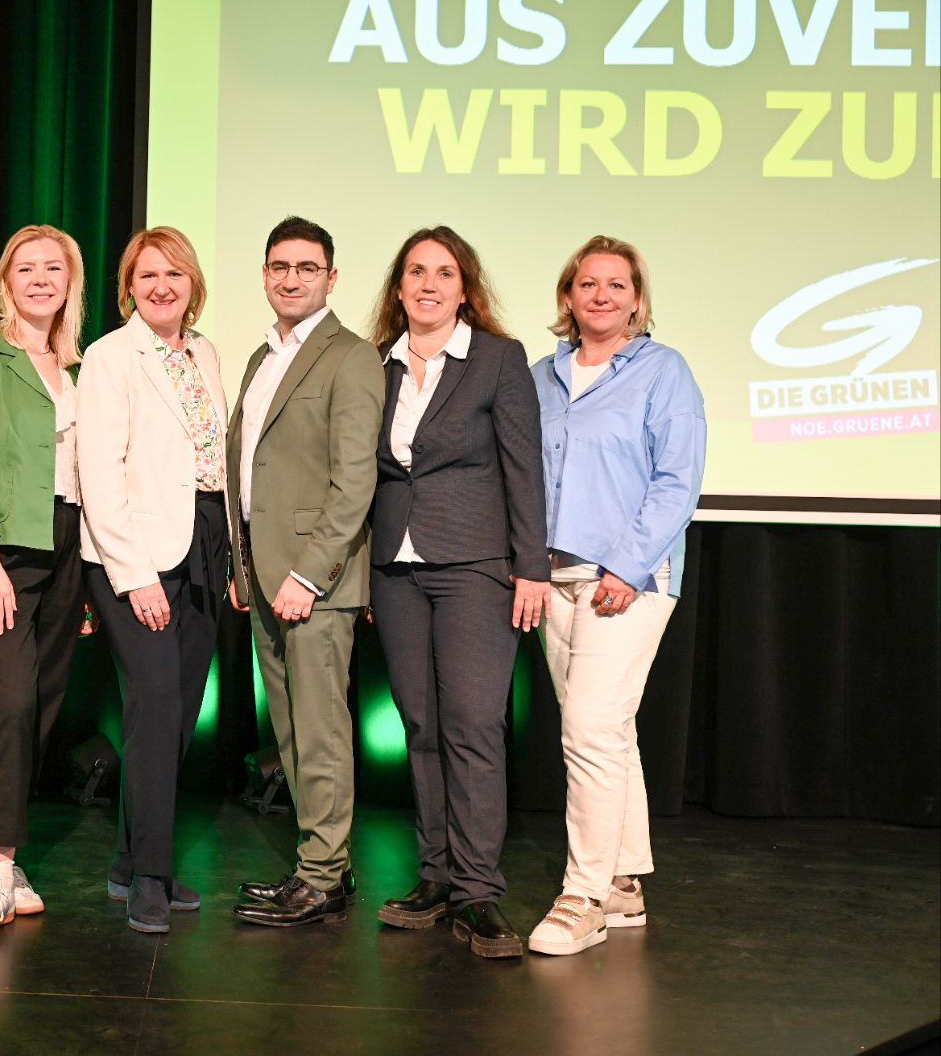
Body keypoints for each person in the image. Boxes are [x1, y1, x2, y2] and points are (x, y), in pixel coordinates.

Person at [365, 226, 548, 959]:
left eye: (444, 273)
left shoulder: (498, 359)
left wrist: (530, 566)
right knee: (421, 725)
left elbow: (524, 467)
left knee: (472, 725)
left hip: (475, 564)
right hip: (395, 568)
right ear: (399, 287)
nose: (429, 284)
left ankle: (478, 891)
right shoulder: (376, 364)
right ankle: (436, 876)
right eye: (417, 272)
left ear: (464, 289)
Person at [525, 235, 705, 956]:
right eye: (587, 284)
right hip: (555, 577)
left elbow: (677, 481)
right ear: (568, 298)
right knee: (608, 731)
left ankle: (584, 896)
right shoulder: (541, 377)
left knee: (589, 730)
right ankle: (624, 884)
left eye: (616, 285)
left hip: (628, 581)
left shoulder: (664, 371)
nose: (600, 295)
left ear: (636, 300)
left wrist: (626, 569)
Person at [228, 216, 384, 928]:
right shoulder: (262, 357)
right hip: (263, 575)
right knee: (290, 731)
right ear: (265, 274)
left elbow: (354, 483)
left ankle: (323, 876)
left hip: (313, 581)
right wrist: (243, 566)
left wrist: (310, 575)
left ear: (331, 277)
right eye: (280, 267)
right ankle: (319, 865)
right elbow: (248, 471)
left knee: (319, 731)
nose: (291, 279)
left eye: (307, 268)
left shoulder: (351, 357)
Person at [77, 227, 228, 933]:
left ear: (193, 283)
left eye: (174, 274)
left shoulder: (206, 352)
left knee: (175, 714)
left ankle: (128, 858)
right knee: (157, 704)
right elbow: (99, 472)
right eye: (147, 276)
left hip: (202, 546)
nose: (162, 286)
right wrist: (134, 575)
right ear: (129, 288)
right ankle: (150, 876)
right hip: (134, 556)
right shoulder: (111, 356)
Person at [0, 225, 88, 935]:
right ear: (3, 281)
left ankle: (9, 860)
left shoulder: (79, 366)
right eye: (25, 268)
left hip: (69, 547)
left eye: (53, 268)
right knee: (12, 703)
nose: (39, 279)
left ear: (70, 281)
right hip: (1, 550)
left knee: (43, 708)